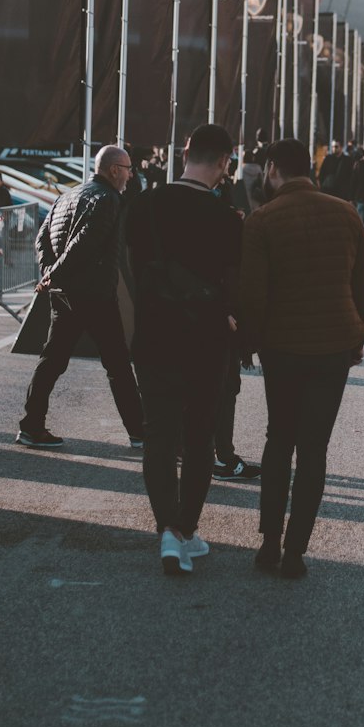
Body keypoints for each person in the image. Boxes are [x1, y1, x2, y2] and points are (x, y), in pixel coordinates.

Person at [241, 138, 364, 579]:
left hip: (282, 347)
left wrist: (250, 342)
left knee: (279, 439)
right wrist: (356, 335)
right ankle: (297, 550)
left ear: (274, 168)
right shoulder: (346, 212)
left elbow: (254, 294)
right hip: (333, 346)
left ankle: (269, 542)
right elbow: (362, 284)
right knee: (315, 449)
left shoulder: (264, 220)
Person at [125, 124, 243, 575]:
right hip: (206, 339)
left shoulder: (146, 204)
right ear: (224, 162)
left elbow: (134, 269)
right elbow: (234, 285)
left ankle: (166, 530)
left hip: (154, 335)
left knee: (158, 435)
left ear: (184, 154)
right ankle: (186, 530)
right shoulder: (225, 218)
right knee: (198, 437)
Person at [17, 146, 144, 449]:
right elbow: (84, 241)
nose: (130, 174)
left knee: (52, 360)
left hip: (67, 293)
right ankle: (140, 432)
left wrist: (50, 271)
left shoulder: (67, 196)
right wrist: (54, 274)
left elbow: (42, 235)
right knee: (117, 364)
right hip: (95, 293)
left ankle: (31, 426)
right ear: (114, 169)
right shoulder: (109, 198)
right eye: (128, 168)